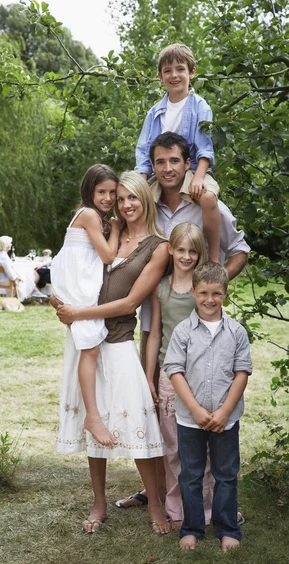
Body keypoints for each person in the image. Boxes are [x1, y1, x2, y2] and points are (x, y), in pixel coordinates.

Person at [116, 131, 250, 509]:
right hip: (156, 316)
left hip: (201, 333)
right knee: (163, 421)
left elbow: (240, 251)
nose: (168, 168)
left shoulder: (206, 202)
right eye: (160, 161)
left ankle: (208, 501)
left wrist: (208, 288)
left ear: (187, 163)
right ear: (153, 166)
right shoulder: (148, 203)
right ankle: (162, 494)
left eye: (175, 160)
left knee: (200, 421)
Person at [55, 171, 171, 535]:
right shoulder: (106, 232)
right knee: (96, 423)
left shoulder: (158, 246)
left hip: (119, 341)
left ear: (145, 200)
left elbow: (131, 302)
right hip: (88, 340)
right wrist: (64, 305)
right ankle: (99, 504)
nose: (125, 204)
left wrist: (78, 314)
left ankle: (155, 505)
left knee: (139, 427)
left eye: (132, 198)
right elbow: (77, 269)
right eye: (120, 199)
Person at [163, 262, 252, 551]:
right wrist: (197, 410)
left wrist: (225, 411)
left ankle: (228, 528)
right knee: (191, 474)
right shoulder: (183, 331)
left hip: (227, 418)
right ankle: (192, 528)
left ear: (225, 292)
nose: (209, 299)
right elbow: (175, 370)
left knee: (226, 474)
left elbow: (242, 372)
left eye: (216, 293)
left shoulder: (236, 332)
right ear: (193, 292)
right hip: (191, 419)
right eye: (203, 293)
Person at [145, 222, 213, 530]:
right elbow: (155, 333)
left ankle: (208, 509)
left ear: (200, 254)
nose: (186, 256)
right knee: (172, 449)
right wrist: (149, 375)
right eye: (181, 249)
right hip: (169, 377)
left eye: (193, 251)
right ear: (170, 249)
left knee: (204, 449)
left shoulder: (204, 287)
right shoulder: (161, 287)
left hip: (202, 376)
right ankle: (176, 511)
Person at [51, 164, 121, 447]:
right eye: (101, 191)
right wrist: (115, 228)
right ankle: (92, 416)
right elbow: (106, 256)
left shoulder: (88, 216)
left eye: (112, 192)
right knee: (90, 348)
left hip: (75, 284)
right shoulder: (90, 215)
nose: (107, 198)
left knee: (89, 348)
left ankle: (91, 411)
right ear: (89, 191)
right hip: (78, 288)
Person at [135, 44, 221, 262]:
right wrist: (140, 182)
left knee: (208, 197)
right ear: (160, 76)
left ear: (191, 72)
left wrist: (199, 178)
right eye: (167, 71)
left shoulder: (200, 106)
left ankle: (213, 259)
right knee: (130, 200)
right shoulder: (155, 112)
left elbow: (205, 148)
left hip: (192, 169)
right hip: (162, 170)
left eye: (180, 69)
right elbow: (144, 151)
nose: (174, 75)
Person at [0, 236, 36, 302]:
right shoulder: (3, 256)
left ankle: (16, 296)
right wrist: (17, 277)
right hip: (4, 280)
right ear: (5, 245)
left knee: (22, 275)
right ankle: (19, 299)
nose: (11, 245)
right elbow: (10, 272)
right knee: (24, 277)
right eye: (10, 243)